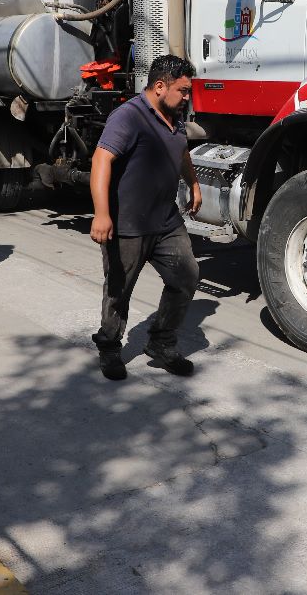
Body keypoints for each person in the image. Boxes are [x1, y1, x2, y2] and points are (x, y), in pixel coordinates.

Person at [90, 54, 202, 381]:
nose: (186, 97)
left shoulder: (174, 116)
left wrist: (193, 183)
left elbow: (181, 150)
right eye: (182, 91)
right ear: (159, 86)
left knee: (186, 275)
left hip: (166, 220)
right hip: (128, 224)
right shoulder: (128, 117)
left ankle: (162, 343)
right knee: (118, 290)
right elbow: (101, 161)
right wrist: (101, 213)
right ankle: (110, 347)